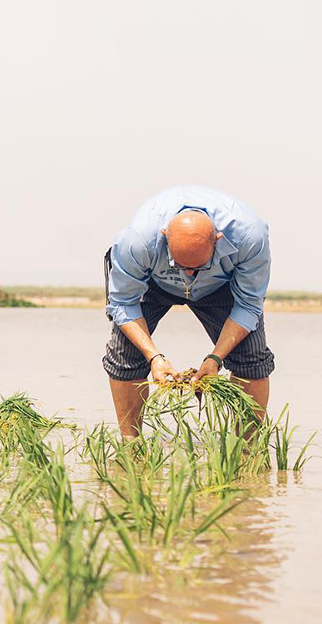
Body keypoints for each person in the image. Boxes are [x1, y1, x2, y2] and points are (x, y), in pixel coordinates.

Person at [103, 186, 273, 437]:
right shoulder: (136, 241)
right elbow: (122, 303)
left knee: (252, 358)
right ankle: (131, 445)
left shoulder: (250, 236)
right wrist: (154, 358)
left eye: (197, 266)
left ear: (218, 239)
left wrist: (215, 359)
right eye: (182, 265)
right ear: (164, 237)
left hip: (219, 285)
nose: (189, 274)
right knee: (125, 355)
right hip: (154, 281)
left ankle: (248, 447)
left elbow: (249, 304)